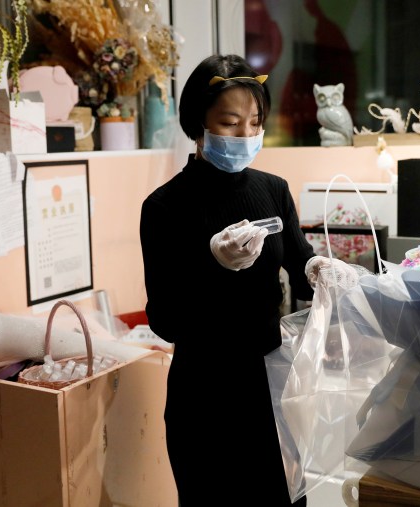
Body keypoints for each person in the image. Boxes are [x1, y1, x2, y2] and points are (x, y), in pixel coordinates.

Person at [140, 54, 344, 505]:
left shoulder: (272, 189)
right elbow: (165, 319)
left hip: (273, 386)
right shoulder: (165, 207)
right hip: (205, 395)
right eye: (231, 123)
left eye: (255, 123)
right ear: (198, 123)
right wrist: (212, 263)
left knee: (286, 498)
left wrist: (320, 270)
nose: (246, 135)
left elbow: (299, 260)